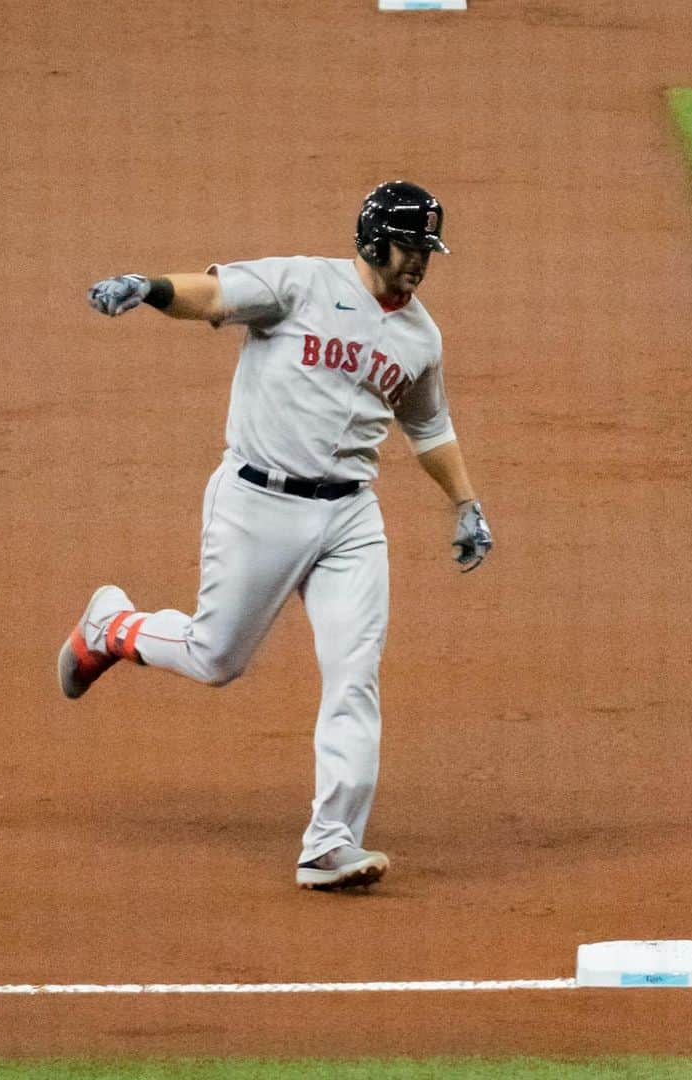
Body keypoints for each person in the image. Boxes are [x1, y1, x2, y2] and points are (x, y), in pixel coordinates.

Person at [58, 180, 492, 890]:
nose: (419, 262)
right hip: (258, 503)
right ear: (375, 240)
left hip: (352, 519)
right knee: (215, 658)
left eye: (427, 250)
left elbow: (428, 428)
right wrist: (148, 288)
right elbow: (216, 296)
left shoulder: (421, 336)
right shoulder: (302, 283)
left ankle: (330, 844)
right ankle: (113, 627)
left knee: (355, 673)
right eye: (411, 245)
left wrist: (466, 504)